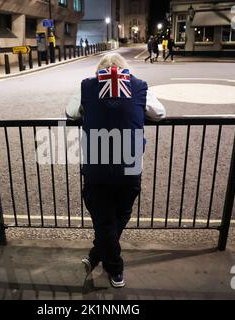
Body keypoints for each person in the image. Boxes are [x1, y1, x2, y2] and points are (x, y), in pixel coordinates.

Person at [66, 53, 166, 288]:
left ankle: (97, 257)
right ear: (125, 70)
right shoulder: (139, 86)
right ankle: (114, 268)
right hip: (128, 168)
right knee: (121, 214)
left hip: (96, 167)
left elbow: (71, 113)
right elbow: (160, 113)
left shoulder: (87, 86)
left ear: (100, 70)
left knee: (104, 221)